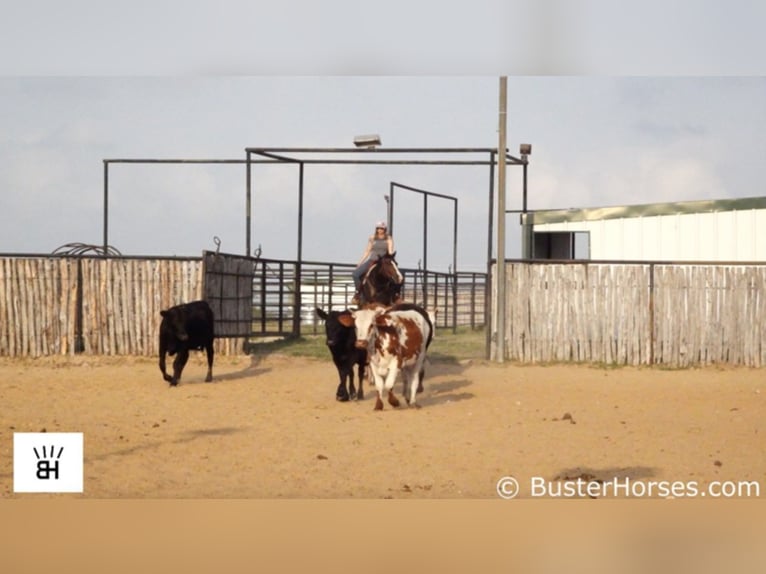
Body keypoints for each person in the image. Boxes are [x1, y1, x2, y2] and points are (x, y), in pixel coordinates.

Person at [352, 221, 403, 304]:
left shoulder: (388, 238)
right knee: (355, 274)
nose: (380, 230)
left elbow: (390, 251)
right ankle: (359, 294)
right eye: (378, 228)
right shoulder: (372, 238)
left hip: (383, 261)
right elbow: (367, 251)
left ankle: (395, 295)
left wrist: (391, 260)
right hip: (372, 260)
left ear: (384, 229)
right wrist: (360, 262)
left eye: (382, 228)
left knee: (395, 275)